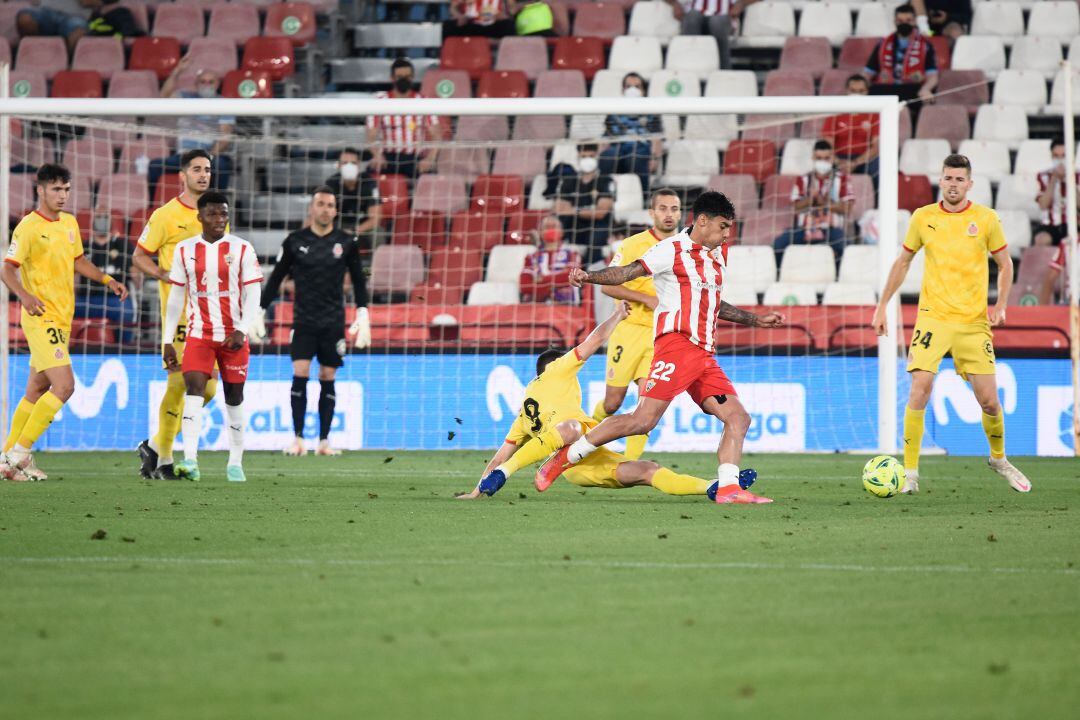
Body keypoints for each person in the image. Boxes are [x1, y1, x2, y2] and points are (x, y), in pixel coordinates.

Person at [535, 192, 786, 502]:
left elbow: (712, 302)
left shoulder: (718, 253)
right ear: (702, 221)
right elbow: (626, 272)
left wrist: (755, 320)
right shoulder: (671, 250)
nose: (726, 234)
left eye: (729, 228)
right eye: (723, 227)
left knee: (738, 418)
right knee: (642, 421)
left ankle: (729, 490)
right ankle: (567, 457)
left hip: (704, 353)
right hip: (677, 345)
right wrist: (589, 276)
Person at [463, 301, 768, 503]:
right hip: (575, 446)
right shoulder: (557, 369)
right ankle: (520, 472)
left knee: (647, 470)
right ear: (552, 366)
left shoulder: (523, 415)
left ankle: (714, 488)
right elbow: (592, 342)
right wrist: (617, 315)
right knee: (573, 429)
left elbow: (502, 452)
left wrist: (478, 489)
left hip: (584, 468)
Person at [871, 154, 1030, 494]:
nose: (953, 184)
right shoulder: (923, 217)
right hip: (934, 318)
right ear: (940, 181)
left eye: (960, 179)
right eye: (948, 178)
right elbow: (903, 262)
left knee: (989, 401)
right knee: (920, 388)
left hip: (973, 322)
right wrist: (882, 306)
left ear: (969, 183)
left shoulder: (985, 219)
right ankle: (910, 474)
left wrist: (1001, 304)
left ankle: (999, 459)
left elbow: (1005, 265)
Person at [0, 164, 129, 481]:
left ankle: (7, 460)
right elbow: (6, 269)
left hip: (63, 318)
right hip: (41, 317)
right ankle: (19, 453)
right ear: (40, 189)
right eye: (56, 189)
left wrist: (107, 279)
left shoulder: (70, 223)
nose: (63, 195)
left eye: (67, 189)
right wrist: (25, 297)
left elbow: (78, 260)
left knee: (37, 387)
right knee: (65, 386)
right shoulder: (28, 227)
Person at [257, 187, 370, 457]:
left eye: (330, 205)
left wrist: (363, 310)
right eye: (320, 204)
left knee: (327, 376)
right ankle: (297, 439)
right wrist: (260, 308)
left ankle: (324, 441)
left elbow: (358, 279)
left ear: (335, 210)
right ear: (312, 208)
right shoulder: (295, 241)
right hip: (303, 319)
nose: (325, 209)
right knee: (300, 372)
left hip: (333, 321)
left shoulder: (347, 242)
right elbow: (277, 277)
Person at [161, 192, 262, 483]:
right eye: (213, 214)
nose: (219, 220)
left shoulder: (242, 249)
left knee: (234, 396)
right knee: (193, 388)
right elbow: (176, 296)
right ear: (200, 217)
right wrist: (168, 339)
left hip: (233, 337)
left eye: (223, 214)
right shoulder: (184, 250)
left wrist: (242, 328)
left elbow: (254, 292)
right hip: (199, 334)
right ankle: (190, 460)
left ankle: (235, 463)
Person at [134, 148, 220, 480]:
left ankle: (155, 445)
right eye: (197, 169)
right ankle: (165, 459)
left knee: (209, 389)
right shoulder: (165, 215)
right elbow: (139, 256)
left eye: (208, 169)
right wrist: (162, 273)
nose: (203, 174)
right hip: (179, 317)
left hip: (210, 315)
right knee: (179, 383)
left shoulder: (215, 214)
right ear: (182, 175)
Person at [593, 188, 682, 461]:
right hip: (629, 331)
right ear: (652, 213)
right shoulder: (633, 244)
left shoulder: (686, 247)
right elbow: (607, 287)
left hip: (660, 337)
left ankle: (628, 465)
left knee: (647, 405)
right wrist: (644, 298)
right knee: (613, 403)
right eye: (663, 208)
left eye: (675, 209)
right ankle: (579, 439)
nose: (669, 214)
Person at [149, 55, 235, 195]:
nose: (206, 85)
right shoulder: (185, 97)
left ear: (217, 84)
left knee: (221, 166)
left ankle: (216, 204)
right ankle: (154, 206)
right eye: (203, 82)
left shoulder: (224, 103)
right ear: (196, 84)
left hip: (209, 155)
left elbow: (224, 137)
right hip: (184, 157)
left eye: (210, 82)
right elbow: (164, 96)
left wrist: (208, 157)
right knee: (155, 166)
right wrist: (177, 71)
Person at [773, 140, 854, 263]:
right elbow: (795, 208)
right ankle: (779, 276)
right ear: (813, 158)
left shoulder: (842, 179)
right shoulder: (802, 179)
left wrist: (825, 203)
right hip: (804, 228)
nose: (823, 161)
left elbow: (847, 208)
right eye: (819, 158)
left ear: (832, 158)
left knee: (845, 248)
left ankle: (839, 278)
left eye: (826, 158)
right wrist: (811, 199)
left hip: (831, 229)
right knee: (779, 244)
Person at [366, 58, 440, 179]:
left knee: (431, 177)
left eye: (407, 76)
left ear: (412, 77)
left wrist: (430, 158)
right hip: (389, 157)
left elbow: (436, 134)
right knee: (369, 174)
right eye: (400, 76)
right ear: (392, 78)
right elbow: (371, 135)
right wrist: (377, 155)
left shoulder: (423, 101)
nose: (404, 79)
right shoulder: (380, 101)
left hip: (414, 158)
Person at [76, 213, 140, 343]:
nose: (101, 220)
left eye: (105, 216)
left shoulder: (123, 245)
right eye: (99, 217)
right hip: (86, 299)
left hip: (115, 299)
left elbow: (137, 277)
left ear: (111, 222)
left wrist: (137, 280)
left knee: (125, 313)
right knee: (65, 310)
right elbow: (74, 278)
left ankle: (124, 349)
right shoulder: (83, 246)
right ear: (92, 222)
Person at [863, 4, 938, 115]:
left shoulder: (925, 45)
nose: (904, 23)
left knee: (922, 96)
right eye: (900, 20)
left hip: (911, 88)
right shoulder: (883, 44)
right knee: (871, 93)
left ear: (914, 21)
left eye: (908, 20)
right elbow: (868, 73)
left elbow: (932, 76)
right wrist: (861, 87)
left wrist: (926, 89)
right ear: (895, 21)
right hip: (886, 87)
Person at [551, 144, 615, 265]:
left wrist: (573, 211)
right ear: (578, 158)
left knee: (597, 234)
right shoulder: (569, 180)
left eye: (591, 156)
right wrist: (587, 212)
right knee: (556, 225)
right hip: (573, 224)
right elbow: (559, 209)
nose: (587, 160)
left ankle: (590, 272)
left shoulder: (606, 180)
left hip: (597, 225)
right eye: (584, 156)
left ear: (597, 157)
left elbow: (600, 213)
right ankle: (560, 268)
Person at [599, 73, 662, 194]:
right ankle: (604, 196)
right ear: (623, 90)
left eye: (637, 87)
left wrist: (655, 159)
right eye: (628, 87)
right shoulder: (613, 112)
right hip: (617, 147)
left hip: (640, 147)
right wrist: (600, 153)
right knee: (607, 156)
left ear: (643, 91)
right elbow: (606, 137)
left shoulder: (652, 112)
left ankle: (642, 197)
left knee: (635, 156)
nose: (632, 90)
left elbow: (656, 139)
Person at [666, 0, 760, 71]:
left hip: (724, 15)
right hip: (694, 13)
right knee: (692, 18)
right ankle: (687, 69)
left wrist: (741, 4)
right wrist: (675, 4)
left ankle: (723, 70)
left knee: (717, 23)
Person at [823, 75, 880, 181]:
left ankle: (880, 198)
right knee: (823, 164)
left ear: (867, 92)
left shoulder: (874, 114)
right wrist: (839, 162)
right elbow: (828, 145)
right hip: (839, 157)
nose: (857, 95)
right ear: (846, 91)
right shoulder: (835, 112)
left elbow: (876, 146)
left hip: (865, 158)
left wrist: (856, 162)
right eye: (853, 91)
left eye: (861, 91)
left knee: (879, 166)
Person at [323, 147, 381, 250]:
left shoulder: (369, 183)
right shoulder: (331, 183)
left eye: (353, 163)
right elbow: (323, 213)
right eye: (345, 163)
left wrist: (354, 231)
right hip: (337, 226)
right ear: (339, 165)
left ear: (358, 165)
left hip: (362, 226)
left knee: (379, 233)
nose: (349, 166)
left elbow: (376, 219)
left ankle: (376, 265)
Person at [519, 216, 581, 304]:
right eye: (547, 227)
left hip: (564, 306)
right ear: (540, 232)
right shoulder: (531, 257)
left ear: (562, 232)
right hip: (536, 307)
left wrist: (541, 280)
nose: (551, 230)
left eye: (554, 226)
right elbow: (524, 285)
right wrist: (552, 287)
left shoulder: (572, 254)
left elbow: (572, 278)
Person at [1033, 139, 1079, 248]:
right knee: (1041, 240)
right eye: (1056, 156)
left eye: (1063, 156)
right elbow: (1043, 205)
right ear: (1051, 156)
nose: (1060, 160)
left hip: (1074, 223)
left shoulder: (1078, 176)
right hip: (1050, 225)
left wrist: (1069, 179)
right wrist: (1054, 179)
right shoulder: (1042, 176)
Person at [17, 0, 94, 51]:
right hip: (46, 10)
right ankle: (32, 55)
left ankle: (66, 65)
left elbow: (88, 2)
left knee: (78, 35)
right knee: (25, 19)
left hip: (76, 16)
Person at [442, 0, 520, 38]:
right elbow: (453, 8)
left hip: (494, 22)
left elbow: (512, 9)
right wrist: (460, 16)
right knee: (448, 26)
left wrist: (505, 14)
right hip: (471, 23)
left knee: (509, 25)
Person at [1038, 239, 1076, 305]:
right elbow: (1050, 279)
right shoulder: (1067, 244)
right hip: (1073, 301)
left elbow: (1050, 279)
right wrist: (1041, 312)